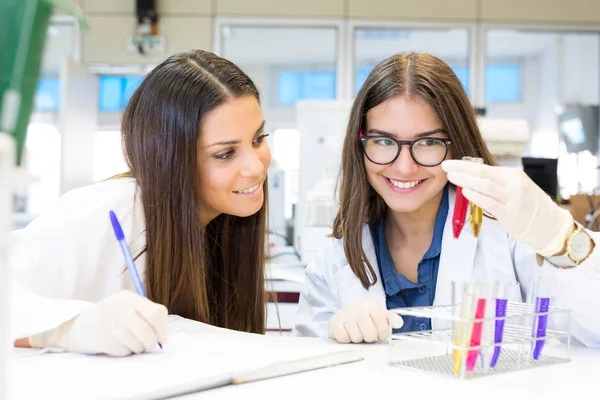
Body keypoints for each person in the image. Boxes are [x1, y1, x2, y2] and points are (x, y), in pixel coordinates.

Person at [294, 52, 600, 347]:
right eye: (384, 141)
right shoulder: (334, 259)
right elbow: (307, 371)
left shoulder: (506, 235)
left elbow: (592, 330)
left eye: (428, 142)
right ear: (360, 145)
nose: (404, 166)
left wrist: (561, 237)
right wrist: (333, 337)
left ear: (456, 144)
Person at [9, 49, 272, 356]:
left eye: (258, 138)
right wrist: (67, 328)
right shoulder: (112, 210)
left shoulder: (223, 221)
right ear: (170, 158)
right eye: (225, 154)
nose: (256, 167)